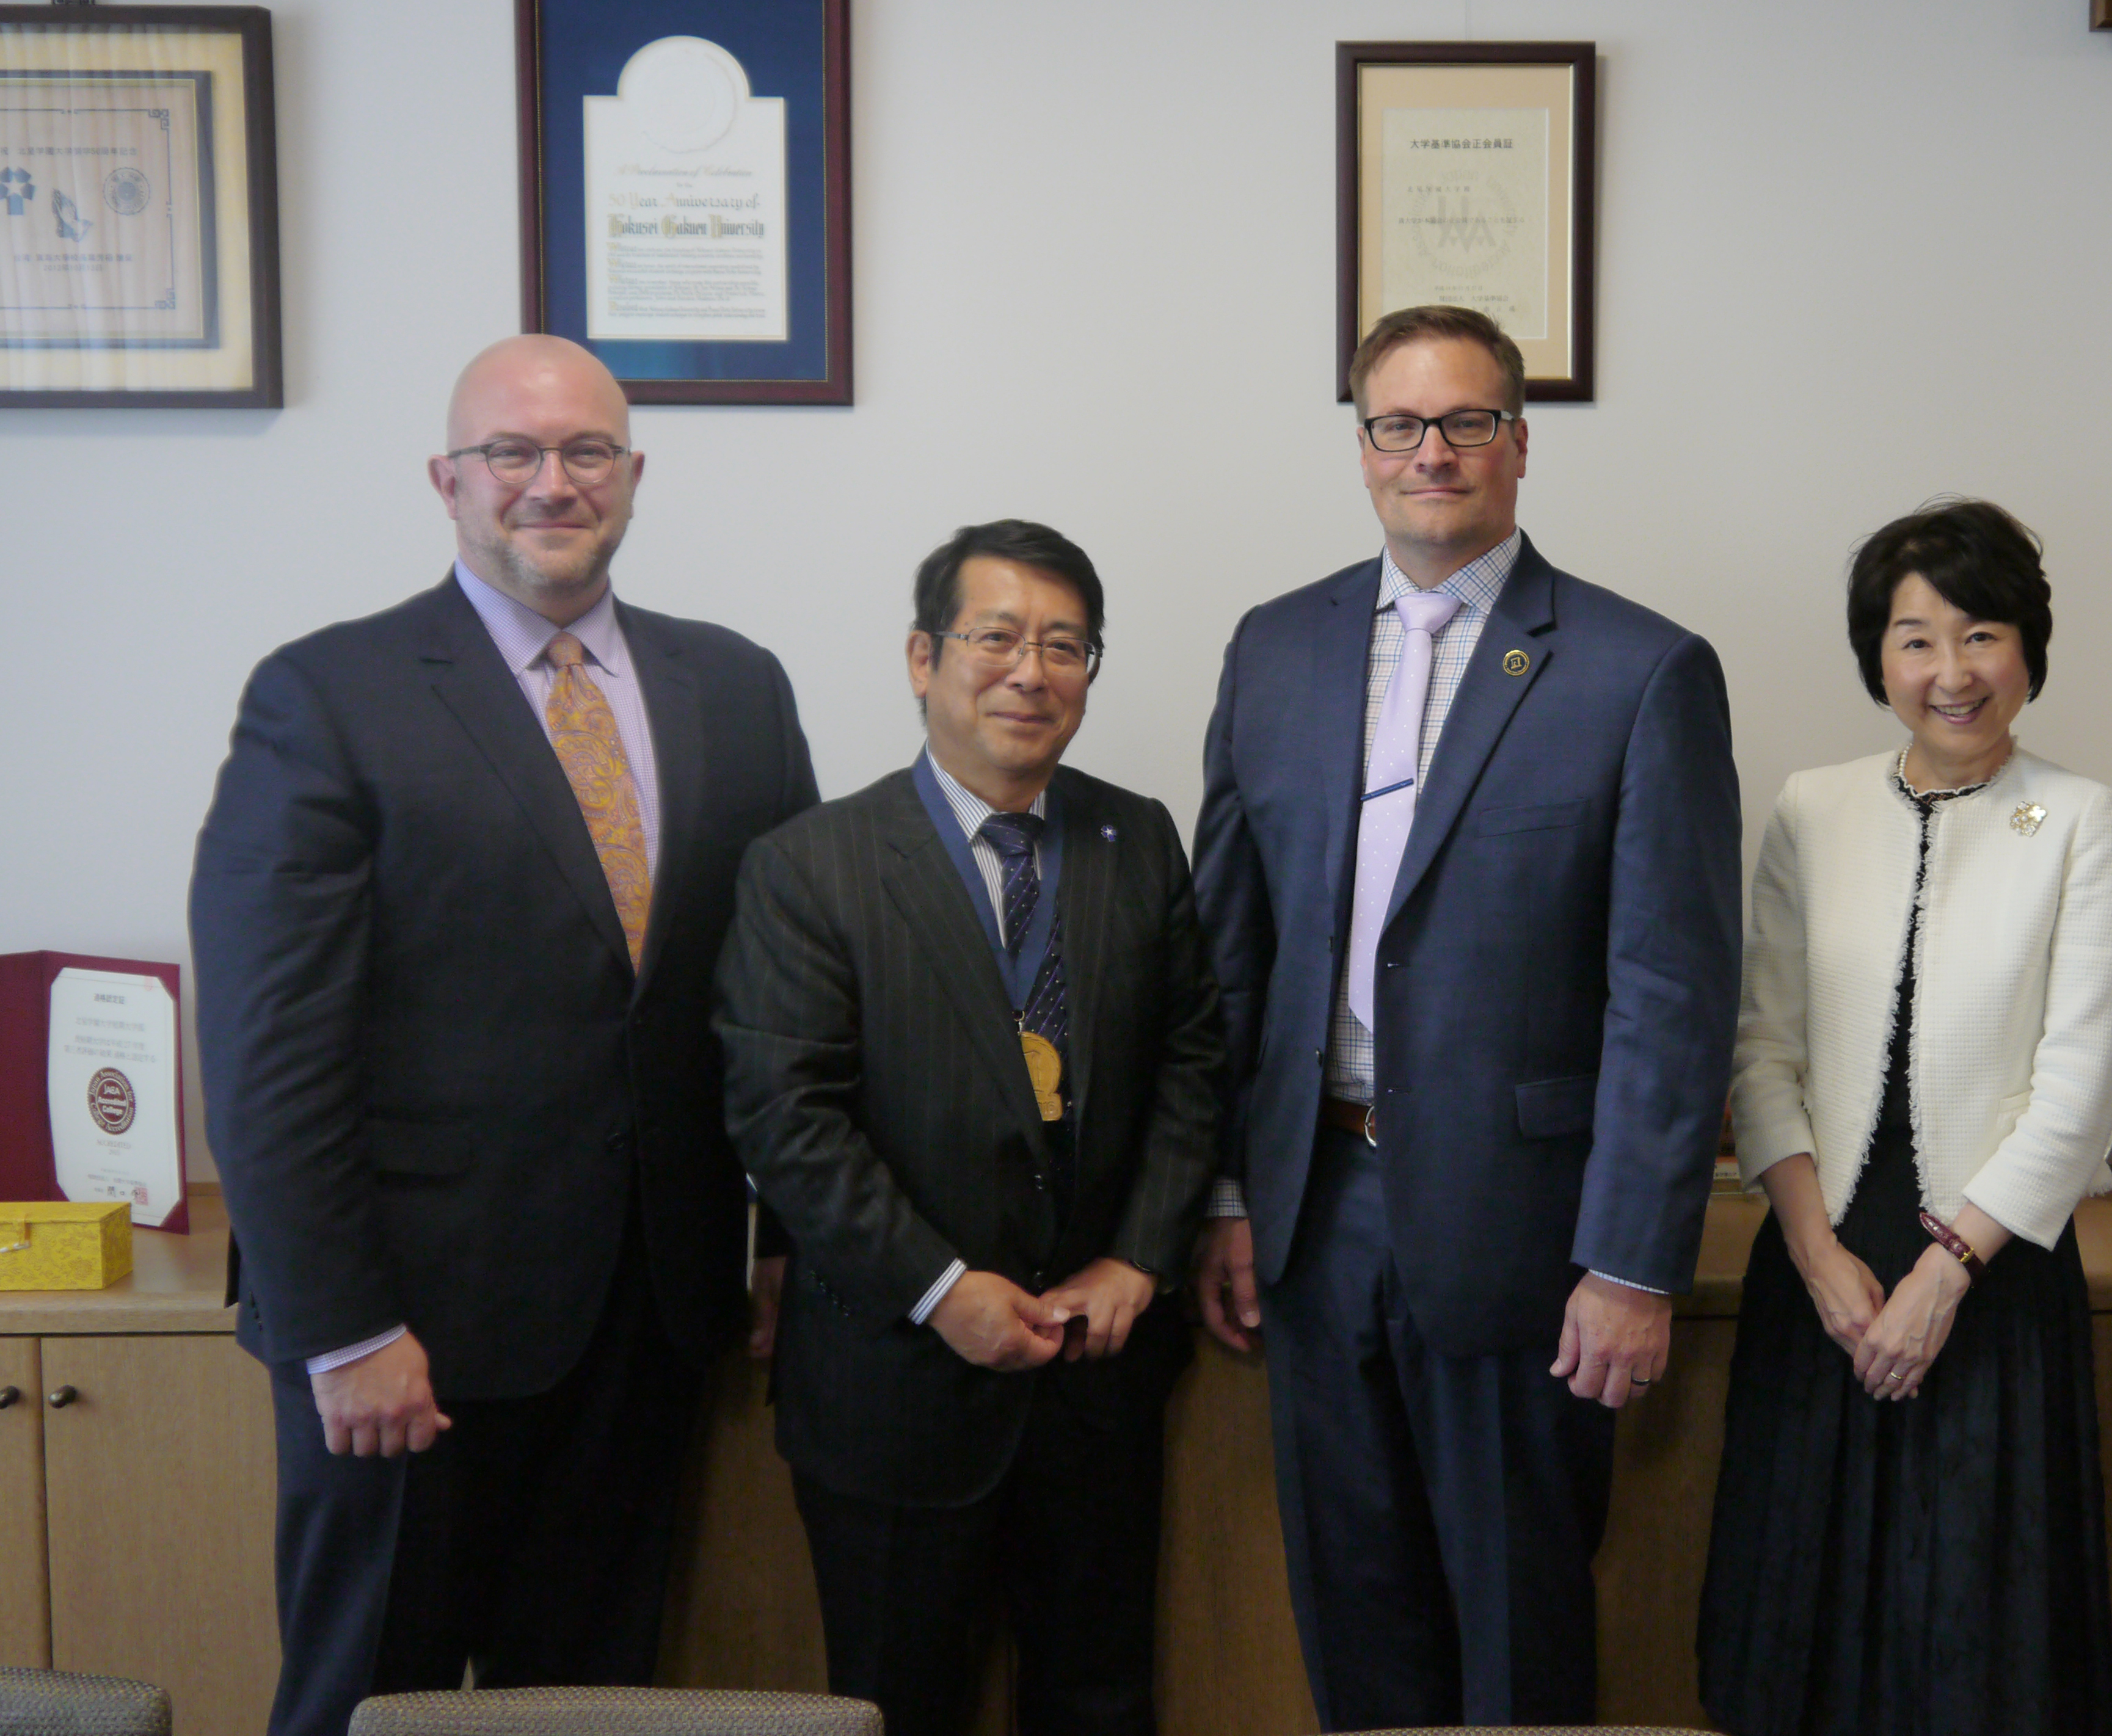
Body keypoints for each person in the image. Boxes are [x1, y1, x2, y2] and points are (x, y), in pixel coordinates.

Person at [188, 335, 818, 1736]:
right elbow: (268, 1046)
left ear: (633, 474)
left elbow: (787, 1010)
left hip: (648, 1326)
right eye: (512, 455)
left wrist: (785, 1245)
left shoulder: (738, 688)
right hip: (406, 1337)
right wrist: (342, 1327)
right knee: (371, 1700)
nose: (552, 482)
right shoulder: (330, 697)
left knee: (592, 1707)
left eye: (586, 450)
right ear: (449, 480)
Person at [1190, 304, 1741, 1729]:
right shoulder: (1275, 647)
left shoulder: (1639, 669)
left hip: (1531, 1238)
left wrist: (1630, 1262)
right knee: (1352, 1611)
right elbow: (1231, 960)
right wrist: (1230, 1194)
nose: (1430, 452)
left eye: (1465, 422)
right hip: (1315, 1218)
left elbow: (1672, 995)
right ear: (1361, 445)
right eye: (1398, 424)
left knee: (1518, 1627)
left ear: (1517, 442)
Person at [715, 520, 1223, 1736]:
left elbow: (1195, 1061)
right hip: (897, 1385)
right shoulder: (810, 866)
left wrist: (1141, 1259)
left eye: (1064, 644)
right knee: (899, 1708)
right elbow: (787, 1116)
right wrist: (941, 1288)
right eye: (995, 636)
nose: (1030, 670)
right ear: (921, 658)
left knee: (1100, 1702)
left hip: (1098, 1380)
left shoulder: (1134, 835)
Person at [1699, 499, 2112, 1736]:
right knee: (1797, 1631)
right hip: (1821, 1276)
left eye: (1981, 633)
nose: (1951, 672)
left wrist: (1944, 1276)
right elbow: (1761, 1046)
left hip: (1990, 1281)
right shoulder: (1809, 806)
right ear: (1875, 658)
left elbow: (2081, 1083)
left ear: (2028, 650)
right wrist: (1815, 1253)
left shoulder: (2083, 818)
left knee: (1974, 1646)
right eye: (1914, 639)